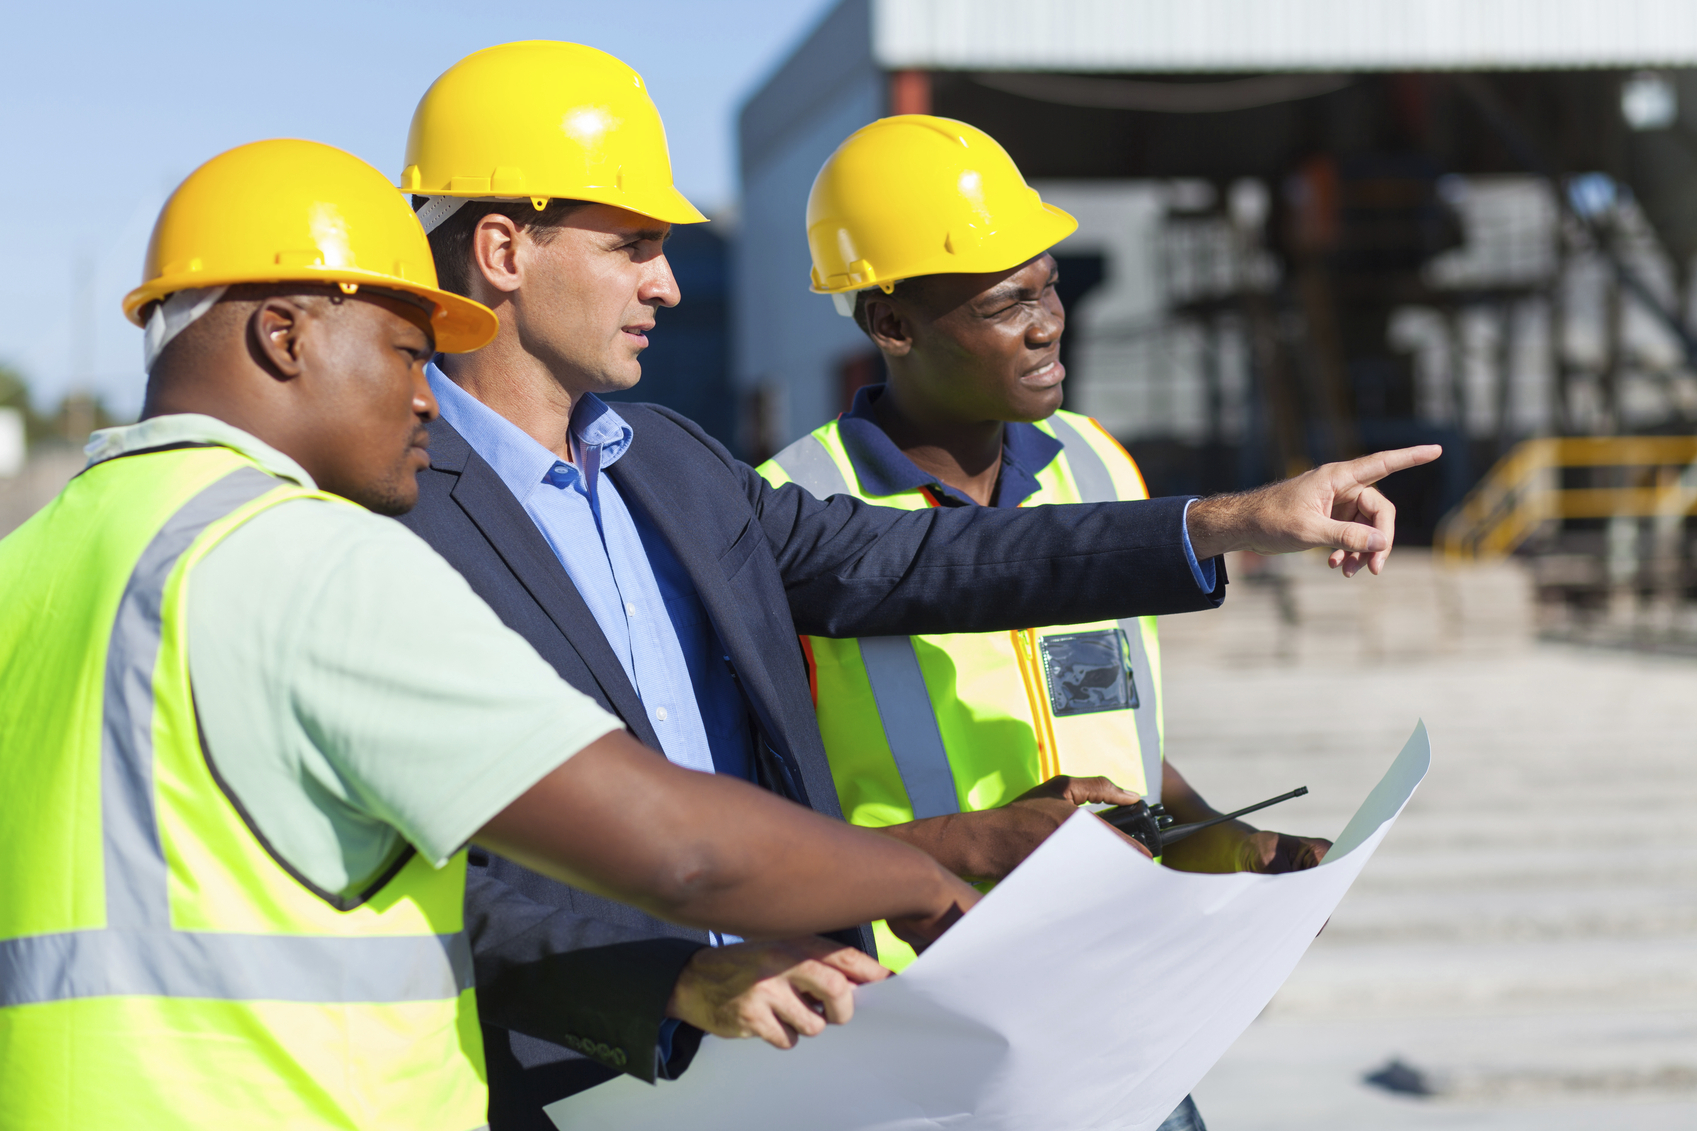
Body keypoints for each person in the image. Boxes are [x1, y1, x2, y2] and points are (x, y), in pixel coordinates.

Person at [393, 42, 1440, 1129]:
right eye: (634, 247)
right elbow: (424, 872)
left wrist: (1237, 523)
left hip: (824, 1035)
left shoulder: (667, 463)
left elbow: (919, 561)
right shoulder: (389, 511)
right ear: (505, 250)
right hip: (601, 1074)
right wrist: (669, 986)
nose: (665, 283)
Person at [0, 137, 984, 1131]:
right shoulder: (304, 558)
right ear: (284, 336)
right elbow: (676, 850)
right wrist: (920, 874)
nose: (428, 396)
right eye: (406, 354)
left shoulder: (29, 566)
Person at [760, 114, 1339, 1131]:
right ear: (890, 325)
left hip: (1119, 999)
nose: (1046, 323)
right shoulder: (794, 513)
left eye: (1048, 285)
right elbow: (754, 820)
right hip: (928, 1025)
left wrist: (1223, 847)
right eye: (1004, 301)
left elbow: (1116, 729)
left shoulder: (1094, 466)